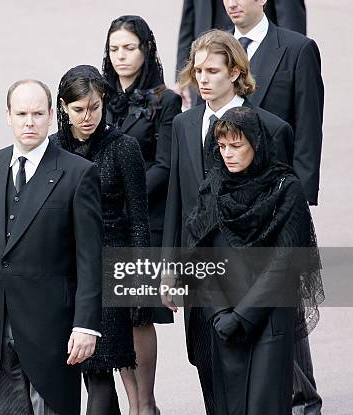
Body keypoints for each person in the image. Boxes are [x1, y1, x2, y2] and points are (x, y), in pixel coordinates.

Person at [161, 29, 293, 414]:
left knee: (255, 382)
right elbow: (177, 200)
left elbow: (281, 211)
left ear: (235, 72)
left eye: (212, 71)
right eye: (197, 70)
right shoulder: (184, 126)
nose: (202, 79)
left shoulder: (269, 128)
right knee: (208, 369)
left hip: (250, 278)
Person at [0, 80, 103, 415]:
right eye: (21, 113)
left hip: (52, 329)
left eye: (37, 113)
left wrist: (85, 325)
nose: (29, 121)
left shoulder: (78, 173)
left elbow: (90, 259)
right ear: (7, 116)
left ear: (52, 116)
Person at [185, 106, 323, 414]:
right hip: (223, 321)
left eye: (236, 145)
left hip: (269, 320)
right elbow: (199, 256)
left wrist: (243, 316)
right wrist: (219, 313)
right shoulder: (213, 189)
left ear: (256, 144)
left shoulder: (286, 189)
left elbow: (286, 263)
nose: (228, 154)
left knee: (265, 405)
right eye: (222, 146)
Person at [49, 65, 148, 414]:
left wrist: (139, 284)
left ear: (104, 101)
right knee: (84, 370)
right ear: (63, 106)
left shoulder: (123, 147)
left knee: (101, 364)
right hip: (66, 268)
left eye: (94, 107)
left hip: (113, 267)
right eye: (78, 109)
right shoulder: (52, 149)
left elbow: (138, 220)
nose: (87, 116)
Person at [102, 16, 180, 414]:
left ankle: (145, 404)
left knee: (138, 317)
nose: (121, 56)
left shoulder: (165, 99)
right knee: (114, 318)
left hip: (142, 222)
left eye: (129, 47)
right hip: (103, 223)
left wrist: (120, 195)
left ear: (146, 49)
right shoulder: (99, 95)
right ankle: (134, 403)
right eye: (114, 48)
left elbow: (164, 166)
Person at [225, 0, 323, 208]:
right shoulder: (213, 49)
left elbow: (308, 127)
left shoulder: (298, 49)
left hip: (276, 190)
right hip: (223, 191)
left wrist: (301, 195)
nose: (231, 4)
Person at [175, 0, 307, 108]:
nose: (231, 4)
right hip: (207, 51)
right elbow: (189, 17)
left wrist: (287, 57)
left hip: (265, 50)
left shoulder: (295, 49)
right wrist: (184, 77)